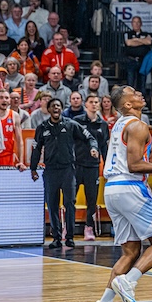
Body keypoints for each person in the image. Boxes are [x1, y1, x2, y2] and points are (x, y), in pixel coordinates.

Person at [89, 85, 152, 302]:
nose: (140, 94)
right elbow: (135, 165)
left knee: (131, 251)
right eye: (134, 94)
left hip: (111, 189)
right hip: (130, 187)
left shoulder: (118, 125)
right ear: (127, 104)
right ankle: (129, 281)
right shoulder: (138, 126)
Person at [30, 98, 99, 249]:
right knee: (52, 204)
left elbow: (89, 137)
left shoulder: (71, 125)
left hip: (68, 170)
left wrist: (93, 148)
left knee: (69, 203)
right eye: (53, 106)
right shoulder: (42, 127)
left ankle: (69, 237)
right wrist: (33, 168)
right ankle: (56, 238)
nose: (56, 108)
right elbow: (36, 148)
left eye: (58, 106)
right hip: (50, 170)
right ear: (49, 110)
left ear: (61, 109)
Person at [74, 94, 110, 241]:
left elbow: (104, 148)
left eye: (96, 102)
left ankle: (89, 228)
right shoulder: (77, 121)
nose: (94, 104)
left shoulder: (103, 125)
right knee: (71, 198)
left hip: (93, 167)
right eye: (91, 102)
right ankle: (67, 227)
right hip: (76, 165)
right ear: (86, 105)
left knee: (92, 200)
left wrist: (107, 166)